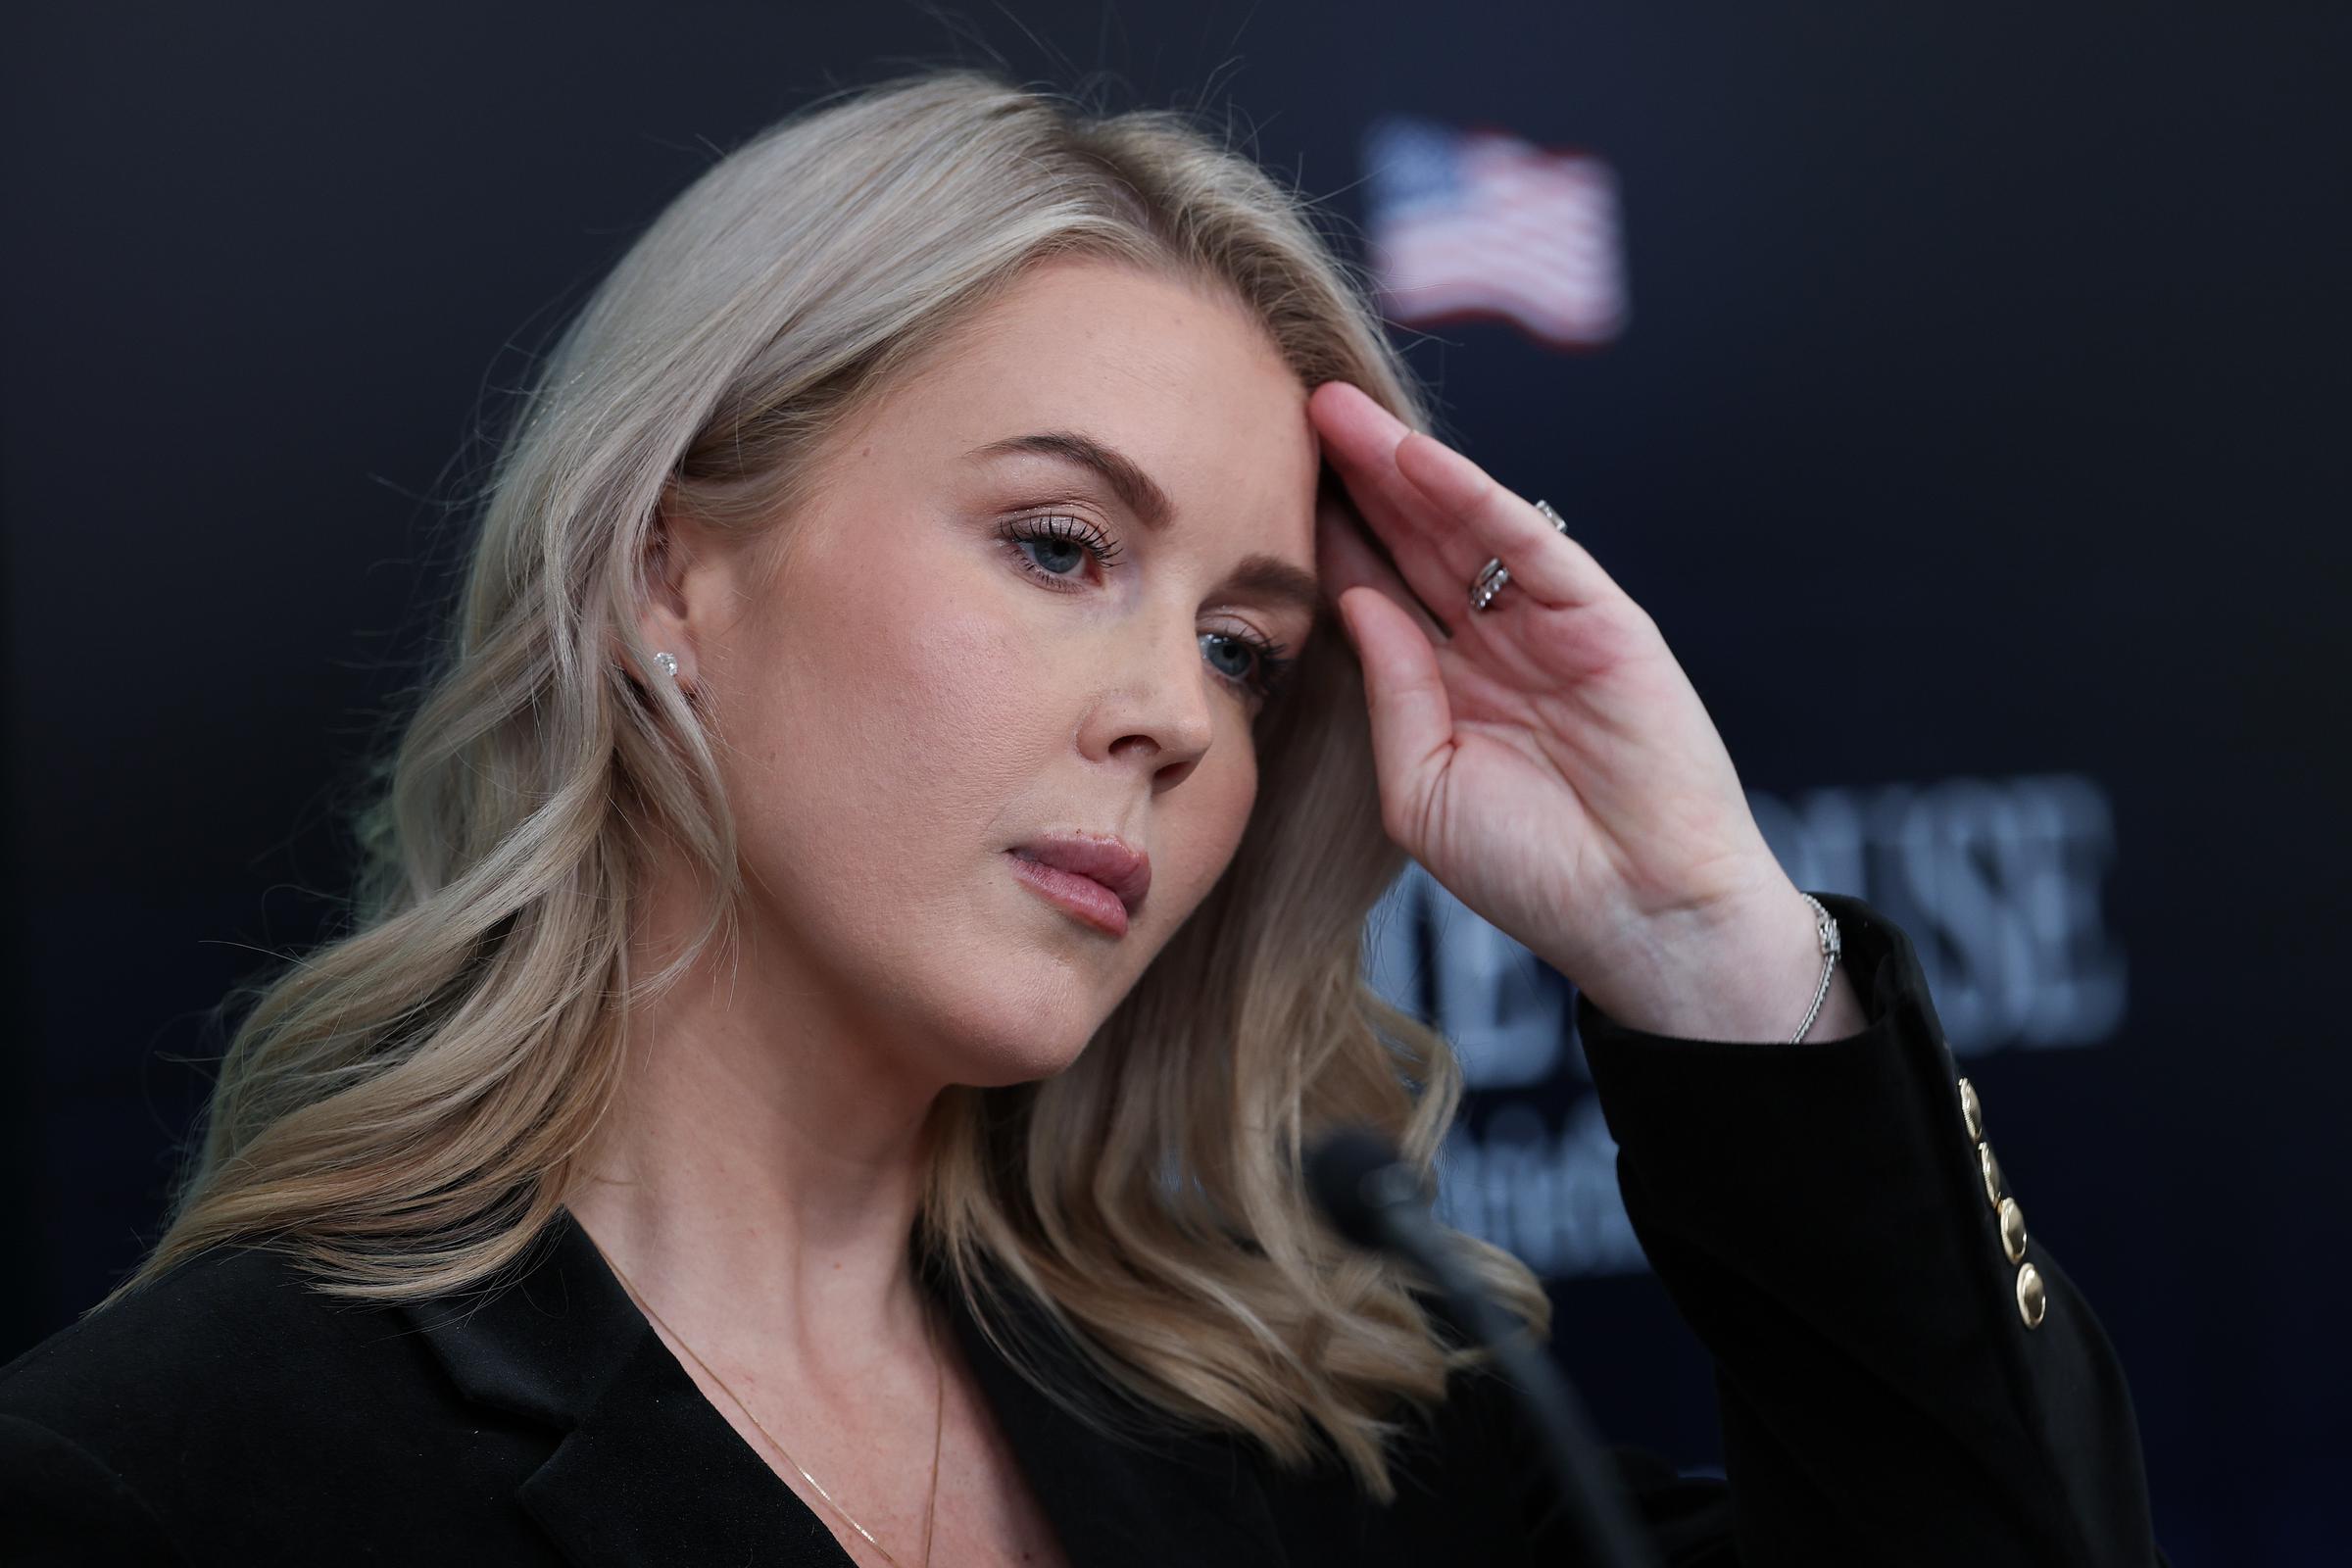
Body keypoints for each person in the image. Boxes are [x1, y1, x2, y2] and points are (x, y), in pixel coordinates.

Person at [0, 66, 2164, 1566]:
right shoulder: (170, 1477)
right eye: (1057, 544)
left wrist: (1719, 951)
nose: (1174, 720)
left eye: (1249, 647)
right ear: (670, 569)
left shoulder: (1321, 1423)